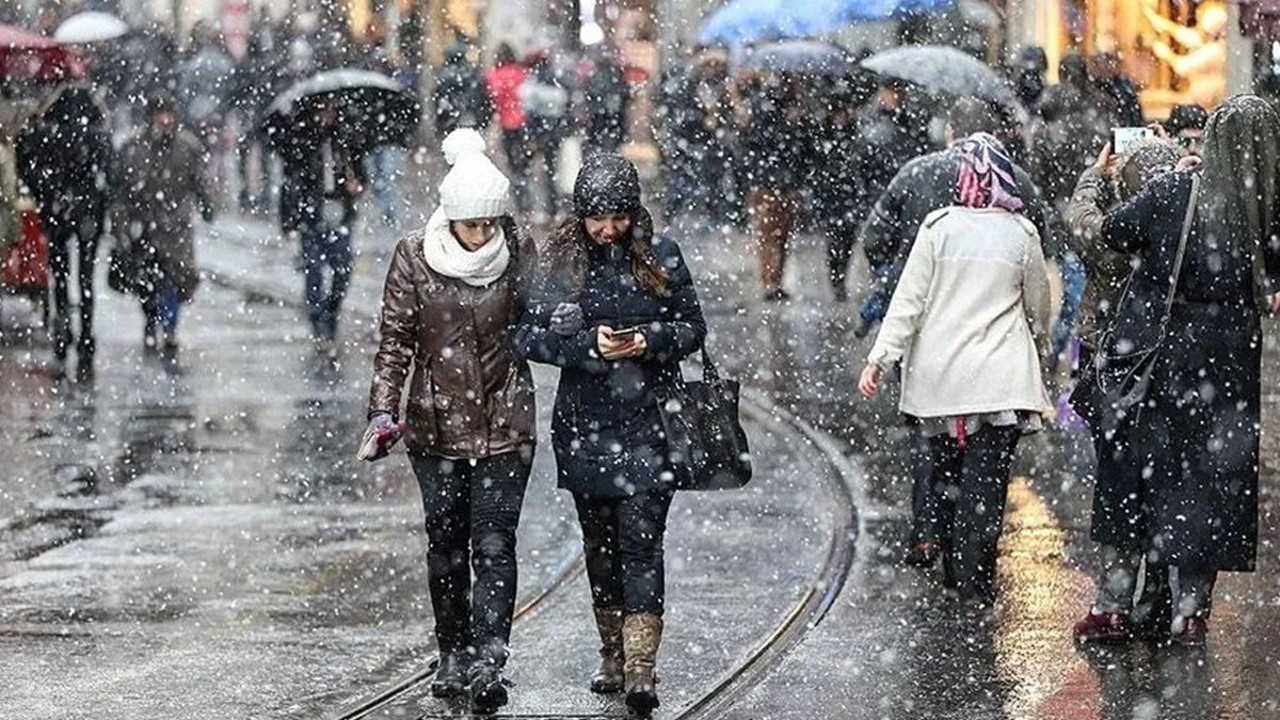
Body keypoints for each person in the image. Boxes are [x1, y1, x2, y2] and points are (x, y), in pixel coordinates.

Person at [1072, 95, 1280, 646]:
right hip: (1229, 370)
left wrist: (1124, 181)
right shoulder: (1267, 210)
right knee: (1208, 489)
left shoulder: (1177, 192)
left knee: (1131, 481)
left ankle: (1113, 606)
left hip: (1160, 361)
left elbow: (1111, 233)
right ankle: (1190, 615)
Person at [515, 153, 706, 713]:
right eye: (597, 217)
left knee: (642, 543)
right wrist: (583, 346)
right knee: (599, 547)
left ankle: (642, 667)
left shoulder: (662, 256)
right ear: (580, 216)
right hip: (585, 428)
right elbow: (525, 338)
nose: (608, 229)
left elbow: (692, 328)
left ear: (634, 212)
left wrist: (648, 341)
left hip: (650, 424)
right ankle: (612, 654)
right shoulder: (559, 266)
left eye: (618, 216)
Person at [364, 129, 537, 712]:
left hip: (506, 424)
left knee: (494, 543)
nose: (483, 234)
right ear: (450, 217)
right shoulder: (415, 254)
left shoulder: (520, 251)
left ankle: (490, 653)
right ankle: (453, 650)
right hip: (435, 429)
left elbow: (541, 319)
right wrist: (383, 411)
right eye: (473, 224)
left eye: (491, 223)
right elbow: (395, 342)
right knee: (446, 545)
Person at [857, 97, 1059, 569]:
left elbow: (877, 242)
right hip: (996, 361)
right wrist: (1040, 343)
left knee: (932, 436)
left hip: (932, 339)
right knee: (986, 470)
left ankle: (930, 528)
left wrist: (883, 343)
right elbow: (1043, 260)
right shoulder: (1017, 192)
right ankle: (974, 564)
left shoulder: (918, 180)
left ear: (951, 132)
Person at [16, 83, 113, 380]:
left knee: (60, 274)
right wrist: (99, 203)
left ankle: (62, 329)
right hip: (87, 214)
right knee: (85, 278)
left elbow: (25, 161)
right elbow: (109, 172)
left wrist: (45, 193)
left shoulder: (46, 132)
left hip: (57, 210)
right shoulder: (96, 134)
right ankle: (85, 335)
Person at [113, 94, 212, 358]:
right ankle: (150, 320)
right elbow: (122, 191)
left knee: (176, 279)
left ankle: (169, 329)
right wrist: (121, 226)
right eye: (160, 114)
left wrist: (207, 205)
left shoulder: (187, 147)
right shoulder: (134, 148)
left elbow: (199, 181)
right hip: (144, 226)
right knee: (147, 280)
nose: (165, 120)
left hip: (175, 226)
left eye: (169, 114)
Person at [272, 96, 366, 341]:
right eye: (321, 109)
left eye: (330, 109)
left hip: (339, 213)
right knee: (313, 270)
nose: (326, 115)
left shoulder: (344, 141)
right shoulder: (301, 141)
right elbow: (289, 183)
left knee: (342, 269)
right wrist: (287, 221)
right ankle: (317, 321)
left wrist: (356, 185)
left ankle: (331, 311)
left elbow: (360, 173)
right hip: (311, 215)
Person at [740, 72, 810, 301]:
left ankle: (774, 281)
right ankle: (770, 282)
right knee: (771, 236)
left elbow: (804, 151)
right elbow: (763, 145)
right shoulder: (769, 110)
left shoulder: (790, 112)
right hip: (771, 184)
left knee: (781, 237)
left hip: (781, 184)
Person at [520, 50, 570, 220]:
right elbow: (565, 107)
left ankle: (534, 208)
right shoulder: (557, 80)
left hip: (539, 132)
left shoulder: (533, 83)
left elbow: (530, 112)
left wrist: (530, 135)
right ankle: (553, 209)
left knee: (533, 171)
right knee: (552, 171)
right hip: (554, 133)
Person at [487, 44, 531, 215]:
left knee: (512, 163)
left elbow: (493, 101)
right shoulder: (522, 74)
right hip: (524, 124)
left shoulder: (494, 77)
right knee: (524, 164)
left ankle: (520, 200)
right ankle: (526, 197)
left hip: (506, 125)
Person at [432, 45, 493, 138]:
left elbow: (439, 99)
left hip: (450, 120)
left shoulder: (443, 75)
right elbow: (479, 97)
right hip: (470, 119)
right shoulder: (471, 72)